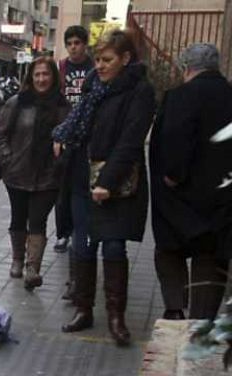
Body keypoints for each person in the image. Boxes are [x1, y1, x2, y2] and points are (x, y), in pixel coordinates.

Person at [53, 30, 155, 346]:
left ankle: (116, 316)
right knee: (82, 244)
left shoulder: (139, 91)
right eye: (98, 59)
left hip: (116, 183)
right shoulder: (93, 87)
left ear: (125, 59)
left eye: (107, 59)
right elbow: (78, 125)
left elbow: (130, 141)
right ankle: (84, 310)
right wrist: (63, 137)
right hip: (83, 177)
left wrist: (107, 182)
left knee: (112, 246)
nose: (100, 65)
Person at [150, 43, 232, 320]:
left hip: (181, 195)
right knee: (211, 254)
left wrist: (173, 174)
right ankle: (202, 317)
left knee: (169, 249)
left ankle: (175, 309)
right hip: (222, 196)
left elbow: (175, 136)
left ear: (187, 68)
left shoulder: (181, 96)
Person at [0, 57, 71, 290]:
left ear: (53, 77)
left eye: (46, 74)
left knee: (38, 220)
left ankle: (32, 268)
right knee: (18, 217)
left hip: (48, 175)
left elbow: (70, 137)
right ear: (30, 77)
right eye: (37, 75)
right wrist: (8, 159)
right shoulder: (17, 103)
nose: (41, 79)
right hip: (17, 173)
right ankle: (17, 259)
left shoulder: (62, 106)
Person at [55, 26, 95, 304]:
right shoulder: (62, 67)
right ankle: (63, 232)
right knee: (63, 193)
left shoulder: (95, 69)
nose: (73, 48)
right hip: (65, 136)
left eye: (77, 43)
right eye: (69, 43)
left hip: (86, 141)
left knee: (79, 197)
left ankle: (80, 278)